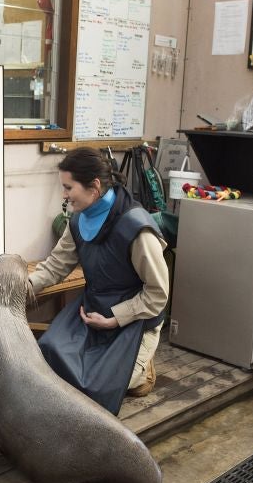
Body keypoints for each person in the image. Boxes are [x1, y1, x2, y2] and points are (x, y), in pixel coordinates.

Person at [29, 147, 169, 414]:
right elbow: (56, 266)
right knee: (47, 353)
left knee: (96, 389)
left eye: (69, 188)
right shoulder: (79, 220)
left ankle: (144, 371)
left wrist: (116, 318)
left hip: (134, 320)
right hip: (92, 310)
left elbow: (158, 294)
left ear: (94, 186)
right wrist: (12, 287)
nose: (64, 195)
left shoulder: (137, 229)